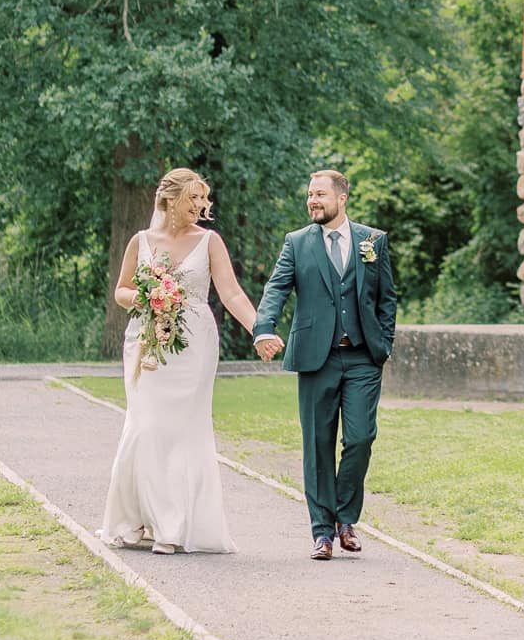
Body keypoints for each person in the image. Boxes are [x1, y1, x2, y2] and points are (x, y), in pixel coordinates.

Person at [100, 166, 258, 555]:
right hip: (145, 343)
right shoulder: (141, 241)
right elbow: (121, 290)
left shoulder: (210, 242)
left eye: (204, 200)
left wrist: (260, 328)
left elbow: (232, 294)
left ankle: (173, 526)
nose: (202, 207)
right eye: (194, 199)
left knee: (184, 431)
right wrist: (143, 298)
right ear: (170, 199)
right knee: (145, 426)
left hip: (194, 345)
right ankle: (137, 516)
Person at [252, 169, 397, 560]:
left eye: (319, 194)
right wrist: (264, 328)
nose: (312, 201)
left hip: (363, 357)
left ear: (342, 197)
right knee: (317, 445)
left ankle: (346, 518)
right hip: (317, 357)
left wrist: (384, 342)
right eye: (309, 195)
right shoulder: (297, 243)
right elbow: (277, 287)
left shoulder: (373, 241)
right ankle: (324, 533)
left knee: (361, 437)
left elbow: (387, 297)